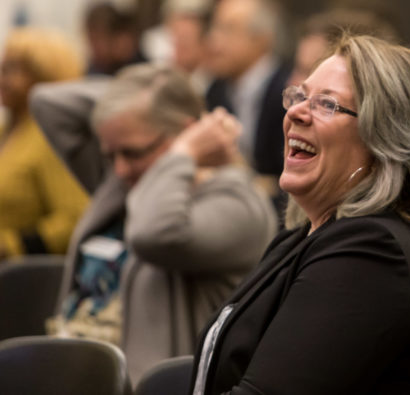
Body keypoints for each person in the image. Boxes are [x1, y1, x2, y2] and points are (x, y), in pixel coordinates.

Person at [190, 34, 410, 395]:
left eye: (326, 104)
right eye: (299, 96)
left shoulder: (372, 253)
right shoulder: (300, 239)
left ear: (384, 141)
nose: (295, 112)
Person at [33, 64, 278, 384]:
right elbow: (47, 103)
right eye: (111, 155)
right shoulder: (127, 181)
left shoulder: (238, 204)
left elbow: (151, 233)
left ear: (185, 131)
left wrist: (185, 151)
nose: (119, 169)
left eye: (132, 153)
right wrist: (137, 96)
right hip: (69, 377)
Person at [0, 28, 89, 258]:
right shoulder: (7, 131)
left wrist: (13, 245)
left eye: (12, 70)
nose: (2, 78)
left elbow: (74, 218)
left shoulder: (49, 138)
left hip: (19, 274)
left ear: (44, 77)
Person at [204, 0, 291, 188]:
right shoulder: (215, 90)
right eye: (214, 28)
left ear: (262, 38)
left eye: (228, 29)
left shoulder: (289, 93)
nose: (214, 41)